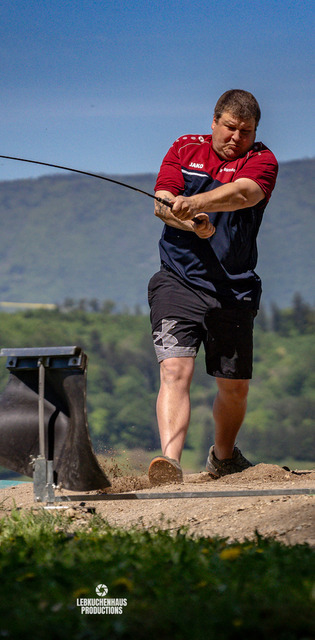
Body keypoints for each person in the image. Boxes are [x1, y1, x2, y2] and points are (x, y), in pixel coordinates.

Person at [147, 89, 278, 485]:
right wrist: (190, 222)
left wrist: (200, 203)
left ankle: (223, 457)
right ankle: (170, 463)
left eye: (246, 131)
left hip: (233, 289)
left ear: (255, 132)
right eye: (230, 127)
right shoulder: (184, 148)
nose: (236, 137)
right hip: (177, 280)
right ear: (214, 122)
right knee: (174, 369)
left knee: (234, 388)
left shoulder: (262, 160)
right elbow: (162, 202)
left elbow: (243, 194)